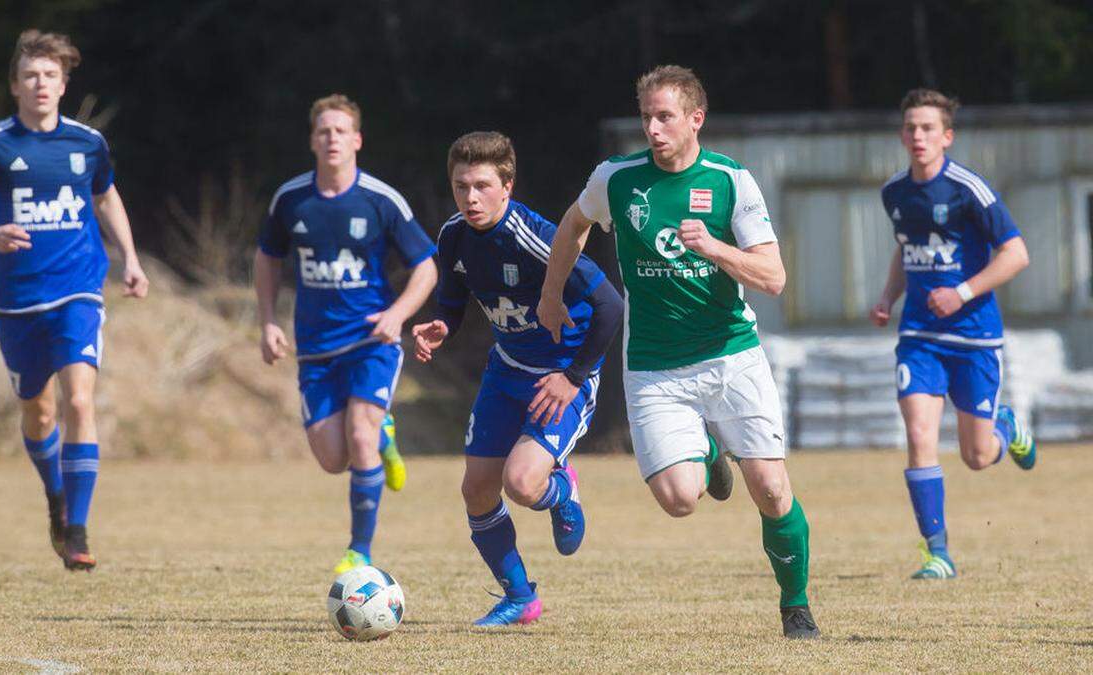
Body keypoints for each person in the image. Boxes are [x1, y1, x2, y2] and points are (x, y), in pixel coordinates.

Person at [538, 65, 819, 639]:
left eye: (664, 116)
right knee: (679, 500)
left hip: (731, 356)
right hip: (655, 368)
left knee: (769, 488)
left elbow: (773, 277)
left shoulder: (730, 181)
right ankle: (712, 452)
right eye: (646, 116)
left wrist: (714, 246)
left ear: (696, 119)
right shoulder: (616, 179)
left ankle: (796, 605)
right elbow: (573, 223)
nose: (653, 128)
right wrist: (549, 293)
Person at [0, 29, 150, 570]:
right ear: (15, 84)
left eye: (50, 75)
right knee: (38, 410)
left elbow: (106, 197)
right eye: (30, 75)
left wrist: (130, 257)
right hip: (16, 300)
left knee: (80, 401)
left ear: (63, 84)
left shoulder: (87, 143)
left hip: (79, 286)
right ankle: (55, 498)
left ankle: (77, 532)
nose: (40, 84)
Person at [412, 132, 623, 626]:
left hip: (560, 378)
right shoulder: (453, 235)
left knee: (522, 483)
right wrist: (443, 324)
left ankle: (562, 492)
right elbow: (454, 296)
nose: (470, 197)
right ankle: (520, 597)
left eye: (483, 185)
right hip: (505, 370)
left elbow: (611, 306)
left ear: (507, 186)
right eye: (461, 186)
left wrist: (573, 377)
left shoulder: (539, 239)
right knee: (477, 489)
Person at [255, 94, 437, 575]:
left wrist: (397, 315)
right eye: (323, 131)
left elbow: (426, 267)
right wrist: (268, 321)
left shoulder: (381, 200)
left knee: (359, 433)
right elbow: (266, 258)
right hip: (315, 350)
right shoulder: (291, 200)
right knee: (332, 459)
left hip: (372, 341)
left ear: (356, 140)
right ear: (313, 141)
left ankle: (360, 551)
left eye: (341, 131)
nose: (331, 138)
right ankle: (385, 435)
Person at [870, 88, 1035, 580]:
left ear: (947, 136)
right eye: (910, 128)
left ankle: (1005, 427)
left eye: (927, 128)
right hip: (919, 335)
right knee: (920, 435)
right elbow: (906, 250)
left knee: (977, 456)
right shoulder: (894, 193)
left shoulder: (970, 190)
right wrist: (888, 297)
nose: (918, 136)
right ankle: (937, 553)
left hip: (974, 337)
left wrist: (961, 292)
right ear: (902, 135)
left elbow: (1016, 254)